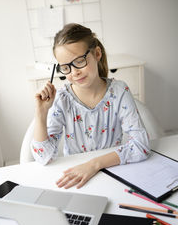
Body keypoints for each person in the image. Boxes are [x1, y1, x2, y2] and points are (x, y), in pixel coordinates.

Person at [31, 23, 150, 189]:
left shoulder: (119, 92)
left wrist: (94, 164)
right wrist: (41, 113)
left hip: (112, 171)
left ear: (97, 53)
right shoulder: (62, 99)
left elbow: (141, 145)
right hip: (75, 179)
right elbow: (43, 157)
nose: (74, 72)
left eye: (79, 61)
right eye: (66, 67)